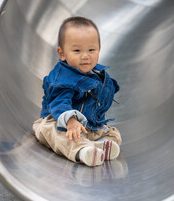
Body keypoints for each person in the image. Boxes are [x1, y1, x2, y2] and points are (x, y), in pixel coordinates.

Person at [33, 16, 122, 167]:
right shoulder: (63, 78)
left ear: (99, 49)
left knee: (114, 133)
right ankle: (82, 150)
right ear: (62, 54)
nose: (85, 55)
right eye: (77, 50)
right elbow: (59, 102)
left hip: (88, 126)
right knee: (55, 134)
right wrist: (70, 120)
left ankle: (100, 144)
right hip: (59, 122)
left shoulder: (97, 74)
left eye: (91, 50)